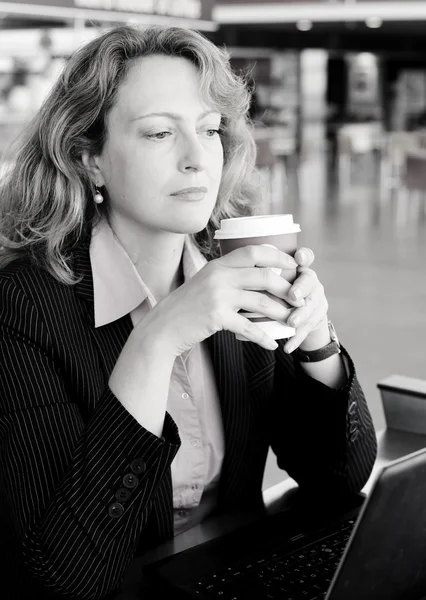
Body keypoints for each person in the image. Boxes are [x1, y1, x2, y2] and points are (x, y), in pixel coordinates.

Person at [0, 24, 377, 600]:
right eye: (158, 134)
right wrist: (156, 339)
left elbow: (339, 483)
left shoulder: (236, 279)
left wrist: (317, 342)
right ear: (90, 158)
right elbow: (61, 577)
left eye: (209, 130)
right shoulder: (23, 308)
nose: (197, 159)